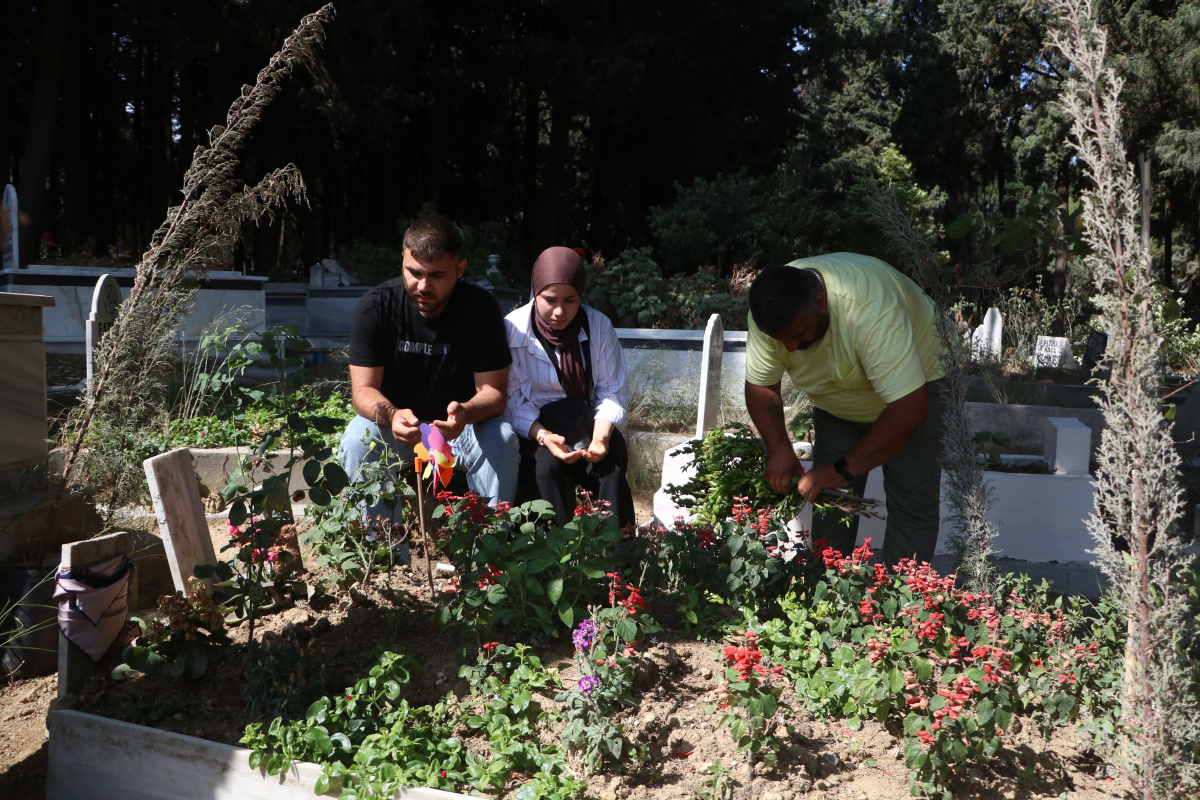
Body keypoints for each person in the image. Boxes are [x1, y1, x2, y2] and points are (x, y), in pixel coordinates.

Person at [743, 252, 946, 566]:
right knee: (830, 503)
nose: (792, 348)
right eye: (782, 341)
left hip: (918, 387)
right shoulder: (771, 313)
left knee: (911, 504)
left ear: (821, 302)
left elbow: (909, 409)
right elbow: (761, 386)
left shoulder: (871, 311)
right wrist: (780, 448)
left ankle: (903, 606)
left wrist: (840, 470)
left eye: (798, 335)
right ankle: (830, 594)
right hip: (839, 402)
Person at [339, 215, 519, 529]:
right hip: (398, 429)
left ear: (460, 269)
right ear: (403, 260)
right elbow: (363, 391)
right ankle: (383, 552)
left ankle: (491, 552)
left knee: (502, 439)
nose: (423, 286)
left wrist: (465, 411)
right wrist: (393, 415)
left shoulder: (481, 307)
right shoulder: (376, 306)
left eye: (437, 275)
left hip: (461, 430)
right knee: (357, 440)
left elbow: (494, 393)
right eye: (414, 272)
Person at [504, 246, 634, 528]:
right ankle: (556, 559)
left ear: (581, 296)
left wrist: (600, 439)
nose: (560, 311)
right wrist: (544, 436)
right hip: (535, 429)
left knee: (609, 471)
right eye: (549, 300)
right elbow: (512, 403)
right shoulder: (512, 330)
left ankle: (617, 560)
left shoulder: (598, 326)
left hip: (585, 423)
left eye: (571, 300)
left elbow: (611, 391)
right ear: (534, 292)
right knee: (544, 471)